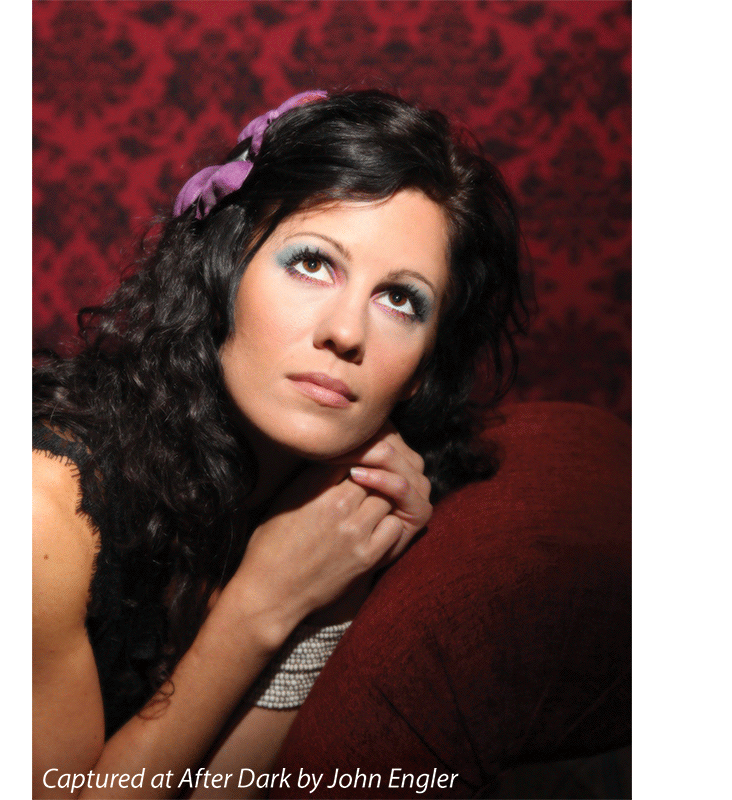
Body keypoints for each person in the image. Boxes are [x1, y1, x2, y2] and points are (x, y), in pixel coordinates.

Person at [33, 89, 527, 799]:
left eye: (400, 300)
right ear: (223, 271)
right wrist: (259, 608)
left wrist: (332, 589)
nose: (346, 332)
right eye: (312, 263)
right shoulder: (44, 512)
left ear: (422, 370)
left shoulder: (336, 506)